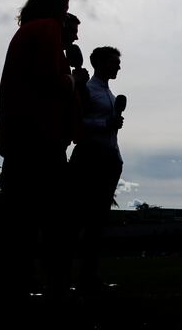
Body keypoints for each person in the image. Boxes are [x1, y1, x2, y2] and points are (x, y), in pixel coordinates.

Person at [0, 0, 86, 302]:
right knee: (54, 218)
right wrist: (74, 80)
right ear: (54, 10)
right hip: (39, 138)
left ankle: (16, 284)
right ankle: (48, 284)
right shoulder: (45, 29)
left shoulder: (27, 32)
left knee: (22, 219)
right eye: (65, 10)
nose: (65, 19)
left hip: (24, 136)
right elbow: (52, 81)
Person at [68, 46, 124, 294]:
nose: (118, 66)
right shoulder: (88, 90)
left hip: (109, 157)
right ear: (99, 63)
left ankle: (88, 276)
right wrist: (106, 123)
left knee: (97, 221)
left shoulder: (109, 93)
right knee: (80, 218)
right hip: (91, 156)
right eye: (114, 62)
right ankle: (71, 276)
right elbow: (77, 123)